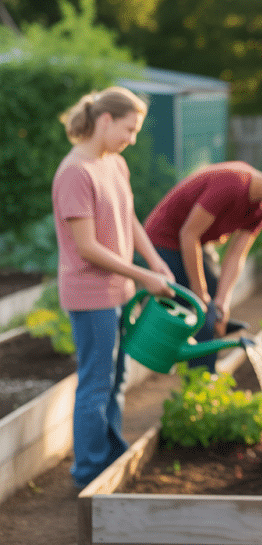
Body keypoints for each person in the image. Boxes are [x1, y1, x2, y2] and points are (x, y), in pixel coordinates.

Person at [52, 87, 175, 488]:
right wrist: (143, 276)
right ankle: (88, 470)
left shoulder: (114, 164)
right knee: (95, 382)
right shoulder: (75, 172)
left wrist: (154, 259)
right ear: (105, 121)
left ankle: (110, 455)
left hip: (118, 291)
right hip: (89, 296)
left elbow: (129, 216)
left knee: (117, 377)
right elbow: (86, 247)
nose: (132, 139)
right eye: (129, 129)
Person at [143, 161, 262, 371]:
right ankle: (201, 378)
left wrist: (223, 301)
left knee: (212, 307)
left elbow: (237, 255)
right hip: (161, 241)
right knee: (200, 307)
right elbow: (188, 234)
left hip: (195, 243)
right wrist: (200, 293)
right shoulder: (233, 183)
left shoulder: (260, 211)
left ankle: (202, 370)